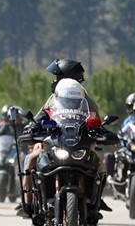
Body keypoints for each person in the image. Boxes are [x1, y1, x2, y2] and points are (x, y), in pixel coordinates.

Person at [18, 58, 101, 216]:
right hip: (56, 142)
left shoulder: (87, 102)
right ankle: (28, 204)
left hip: (80, 145)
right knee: (31, 159)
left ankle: (96, 200)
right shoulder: (53, 100)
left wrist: (101, 132)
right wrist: (31, 129)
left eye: (57, 78)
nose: (54, 81)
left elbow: (97, 122)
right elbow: (39, 118)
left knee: (99, 165)